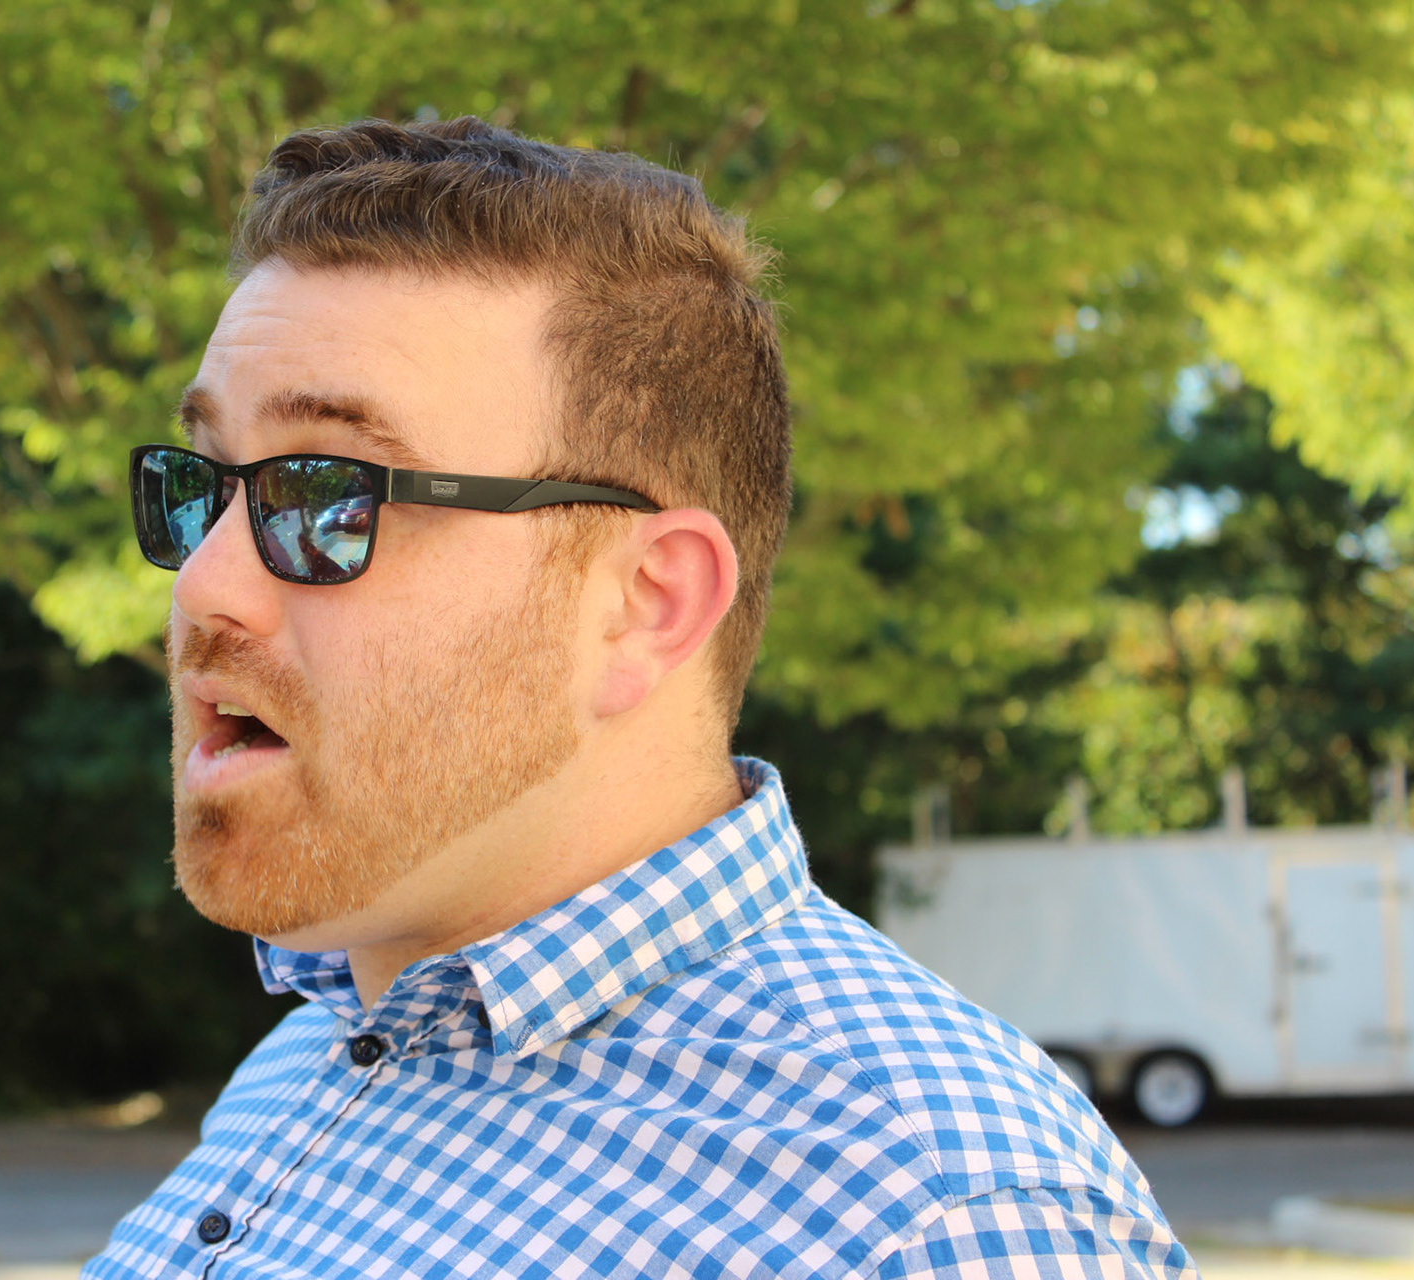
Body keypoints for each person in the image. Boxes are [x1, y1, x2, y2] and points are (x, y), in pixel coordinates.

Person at [85, 117, 1197, 1280]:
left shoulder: (937, 1220)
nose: (202, 584)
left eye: (330, 496)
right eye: (202, 487)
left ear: (648, 602)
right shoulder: (313, 1052)